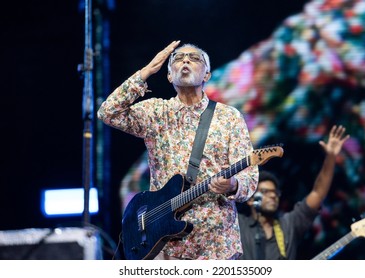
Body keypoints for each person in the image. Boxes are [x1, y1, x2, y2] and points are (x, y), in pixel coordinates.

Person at [97, 40, 259, 260]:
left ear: (207, 76)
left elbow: (249, 177)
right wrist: (145, 72)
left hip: (217, 246)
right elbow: (108, 113)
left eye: (194, 58)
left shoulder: (229, 117)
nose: (185, 60)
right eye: (178, 58)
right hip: (167, 247)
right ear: (169, 77)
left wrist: (233, 184)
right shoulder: (155, 111)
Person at [238, 125, 350, 259]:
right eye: (265, 191)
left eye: (275, 192)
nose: (273, 195)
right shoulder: (239, 226)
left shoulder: (289, 226)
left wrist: (330, 157)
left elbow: (318, 193)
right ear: (251, 199)